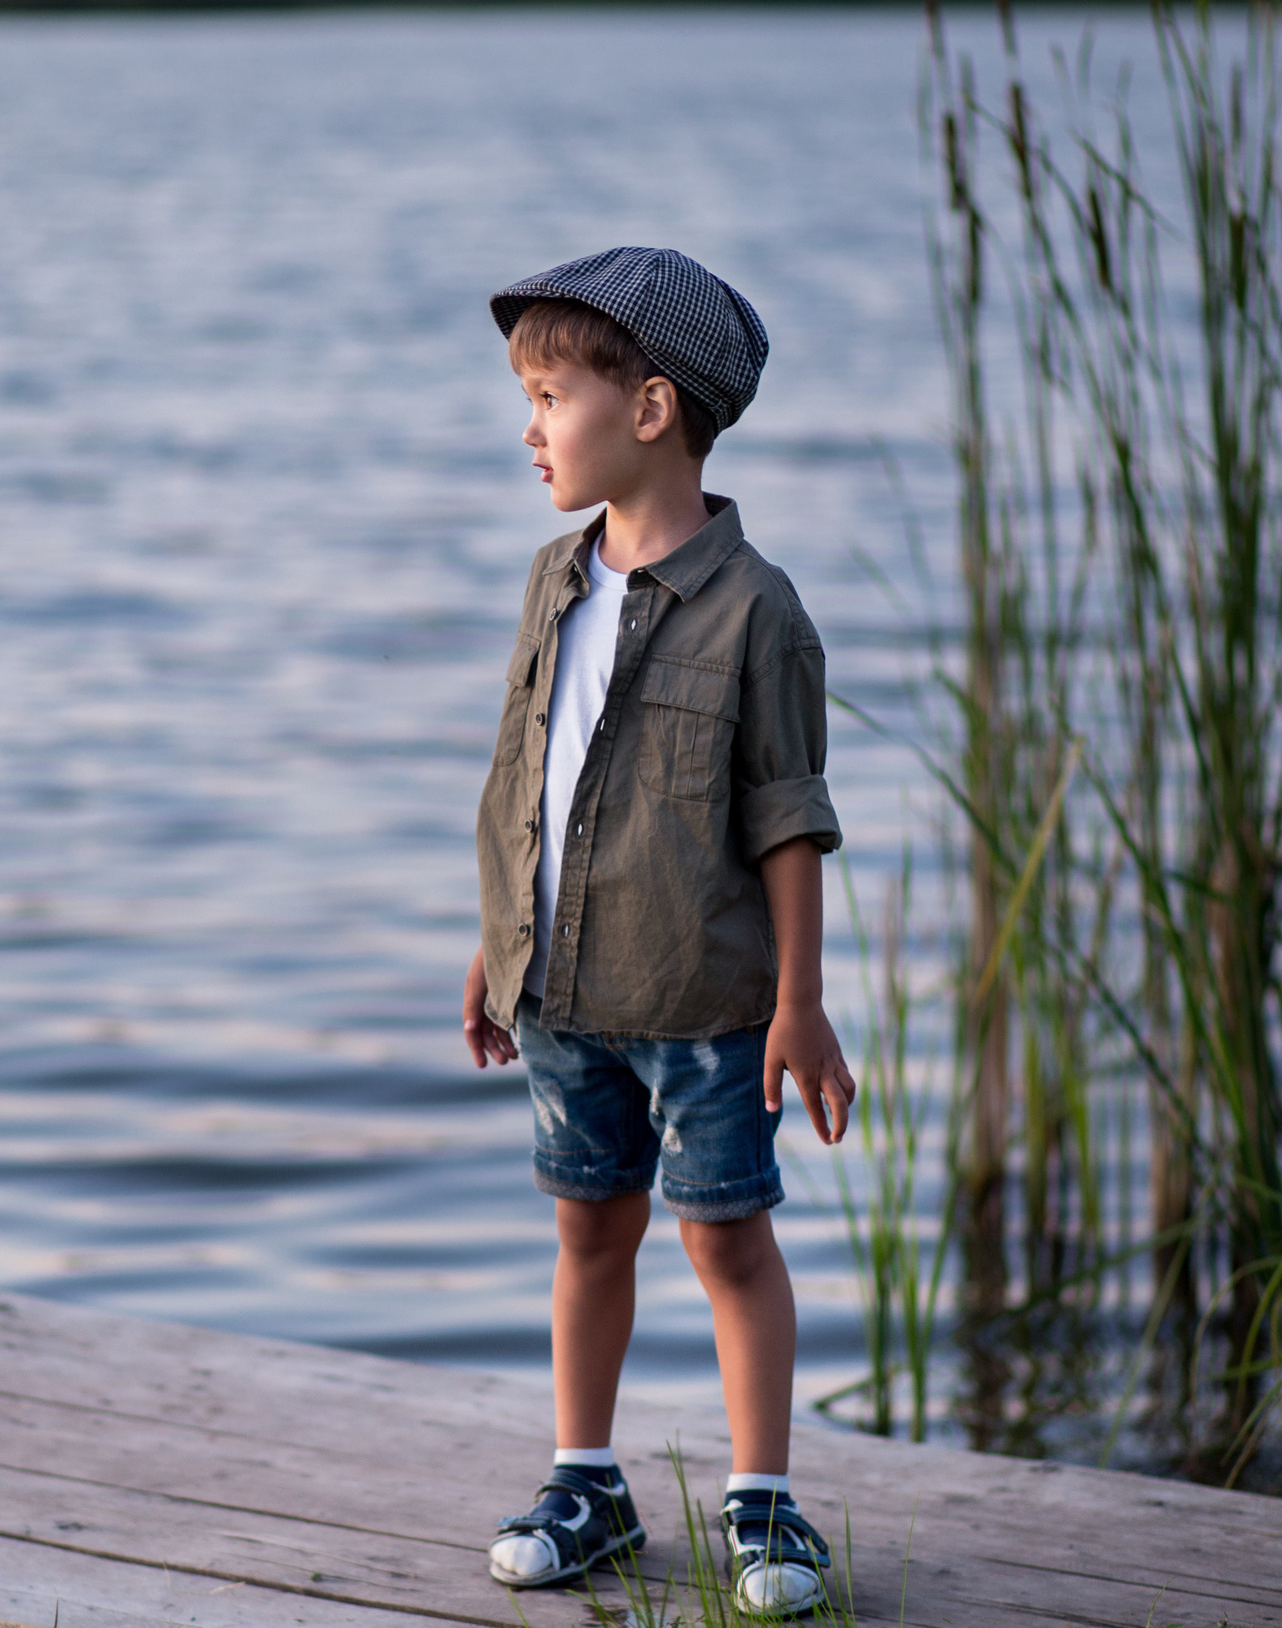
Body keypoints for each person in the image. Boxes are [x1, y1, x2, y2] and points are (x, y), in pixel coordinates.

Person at [461, 247, 855, 1618]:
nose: (529, 427)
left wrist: (800, 1002)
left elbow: (789, 819)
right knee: (587, 1229)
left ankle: (763, 1502)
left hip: (705, 1000)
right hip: (564, 991)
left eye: (551, 395)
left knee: (727, 1241)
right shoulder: (551, 582)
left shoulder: (759, 614)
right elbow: (529, 773)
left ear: (650, 408)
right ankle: (589, 1481)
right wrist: (494, 945)